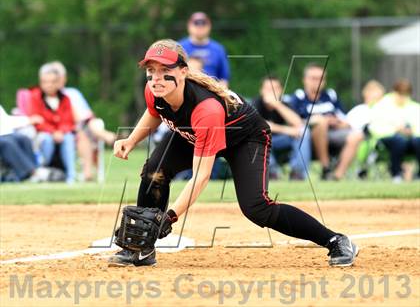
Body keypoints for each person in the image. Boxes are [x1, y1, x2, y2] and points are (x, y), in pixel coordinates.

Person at [109, 39, 358, 267]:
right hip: (197, 132)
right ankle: (140, 248)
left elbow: (201, 176)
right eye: (151, 71)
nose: (156, 78)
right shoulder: (155, 89)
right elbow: (155, 112)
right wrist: (132, 139)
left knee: (257, 208)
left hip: (245, 139)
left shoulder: (206, 108)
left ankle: (336, 240)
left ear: (183, 71)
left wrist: (170, 217)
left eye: (165, 71)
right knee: (155, 170)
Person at [48, 61, 116, 181]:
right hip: (70, 127)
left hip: (84, 124)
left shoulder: (73, 93)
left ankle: (88, 172)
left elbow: (88, 113)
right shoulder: (52, 96)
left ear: (64, 78)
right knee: (85, 129)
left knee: (88, 126)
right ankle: (106, 136)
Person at [288, 63, 351, 179]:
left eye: (321, 78)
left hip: (333, 133)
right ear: (305, 80)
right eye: (313, 78)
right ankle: (326, 168)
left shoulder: (331, 96)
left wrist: (336, 122)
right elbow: (293, 122)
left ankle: (336, 176)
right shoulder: (298, 97)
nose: (317, 81)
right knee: (320, 122)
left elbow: (346, 120)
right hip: (308, 138)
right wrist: (317, 120)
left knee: (357, 135)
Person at [253, 76, 311, 180]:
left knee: (304, 131)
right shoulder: (256, 103)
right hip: (261, 141)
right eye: (268, 88)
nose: (271, 92)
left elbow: (298, 123)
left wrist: (277, 105)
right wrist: (286, 130)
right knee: (258, 135)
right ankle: (271, 171)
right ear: (261, 90)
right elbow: (260, 125)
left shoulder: (285, 103)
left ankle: (297, 173)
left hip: (280, 140)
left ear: (280, 90)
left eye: (275, 88)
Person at [29, 64, 76, 183]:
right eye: (45, 82)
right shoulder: (35, 97)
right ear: (41, 83)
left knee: (69, 138)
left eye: (52, 82)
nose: (49, 85)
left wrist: (61, 131)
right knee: (47, 139)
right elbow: (37, 120)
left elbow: (69, 120)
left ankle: (71, 176)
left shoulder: (65, 99)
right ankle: (43, 172)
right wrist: (53, 132)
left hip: (62, 134)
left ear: (58, 83)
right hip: (43, 135)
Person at [332, 80, 386, 180]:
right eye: (371, 96)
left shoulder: (383, 111)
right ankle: (337, 172)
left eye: (377, 97)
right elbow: (346, 123)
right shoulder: (359, 109)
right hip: (351, 139)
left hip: (374, 142)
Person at [369, 79, 420, 182]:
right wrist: (395, 130)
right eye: (400, 94)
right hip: (387, 140)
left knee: (417, 141)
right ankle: (396, 174)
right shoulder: (382, 105)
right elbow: (375, 127)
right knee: (399, 140)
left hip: (410, 140)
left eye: (405, 95)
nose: (402, 98)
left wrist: (411, 131)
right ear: (394, 92)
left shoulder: (414, 107)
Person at [179, 12, 230, 87]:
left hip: (212, 93)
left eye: (203, 23)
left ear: (209, 26)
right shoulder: (179, 48)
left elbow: (224, 79)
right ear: (189, 25)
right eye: (196, 23)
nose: (200, 26)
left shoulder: (218, 49)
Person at [0, 105, 48, 182]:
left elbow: (6, 121)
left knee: (24, 139)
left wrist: (28, 120)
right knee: (8, 143)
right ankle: (32, 173)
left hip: (4, 133)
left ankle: (35, 169)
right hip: (3, 137)